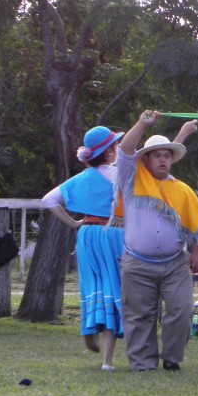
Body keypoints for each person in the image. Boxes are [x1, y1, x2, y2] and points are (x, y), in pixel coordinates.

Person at [116, 110, 198, 372]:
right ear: (144, 159)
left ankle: (171, 358)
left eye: (167, 156)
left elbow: (197, 223)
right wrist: (143, 123)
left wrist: (197, 253)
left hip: (174, 264)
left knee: (182, 309)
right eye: (157, 155)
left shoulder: (180, 189)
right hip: (137, 262)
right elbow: (124, 150)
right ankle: (143, 363)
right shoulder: (130, 179)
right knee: (139, 316)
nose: (163, 160)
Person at [42, 126, 126, 370]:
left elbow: (48, 200)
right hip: (113, 234)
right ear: (110, 152)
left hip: (87, 234)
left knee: (92, 285)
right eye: (116, 146)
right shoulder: (118, 175)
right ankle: (107, 361)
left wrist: (74, 223)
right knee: (112, 287)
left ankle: (88, 330)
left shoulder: (81, 179)